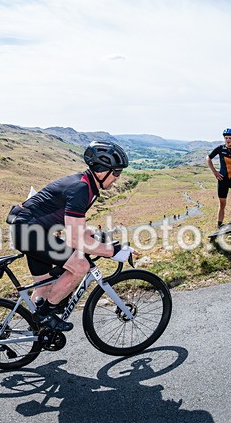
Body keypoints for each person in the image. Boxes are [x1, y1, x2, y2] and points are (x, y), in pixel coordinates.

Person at [8, 140, 135, 332]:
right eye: (116, 172)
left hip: (31, 232)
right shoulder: (81, 188)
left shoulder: (87, 185)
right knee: (80, 266)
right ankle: (45, 315)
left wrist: (97, 237)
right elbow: (76, 240)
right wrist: (114, 251)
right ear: (102, 171)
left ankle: (39, 334)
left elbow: (76, 229)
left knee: (44, 288)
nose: (118, 177)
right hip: (29, 233)